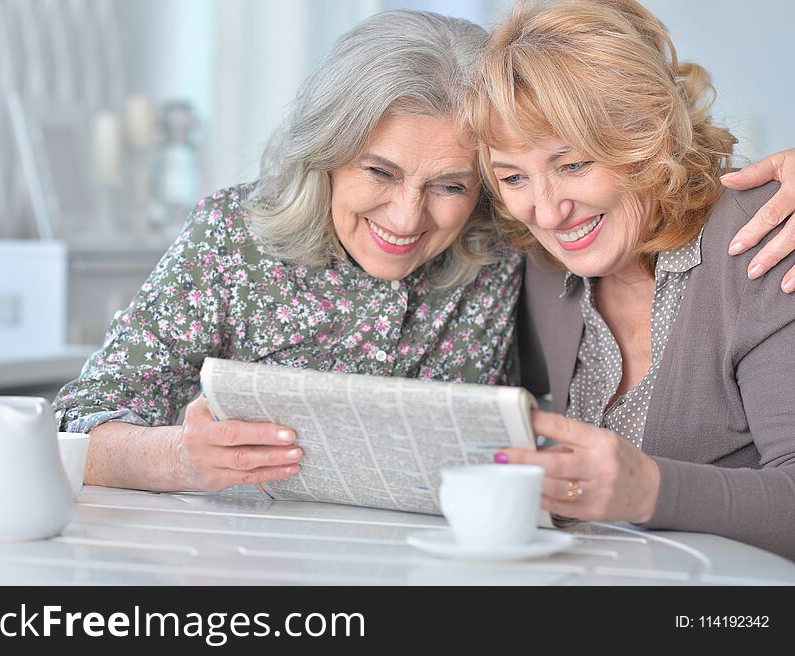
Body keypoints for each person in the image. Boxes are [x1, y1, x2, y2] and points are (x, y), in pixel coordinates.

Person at [55, 9, 795, 503]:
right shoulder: (234, 236)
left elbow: (638, 174)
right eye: (379, 173)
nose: (407, 218)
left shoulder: (510, 243)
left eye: (449, 184)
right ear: (327, 154)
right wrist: (178, 459)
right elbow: (69, 431)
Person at [466, 0, 795, 558]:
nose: (547, 213)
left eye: (572, 165)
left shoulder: (765, 239)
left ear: (647, 136)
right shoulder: (535, 262)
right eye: (514, 177)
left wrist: (648, 490)